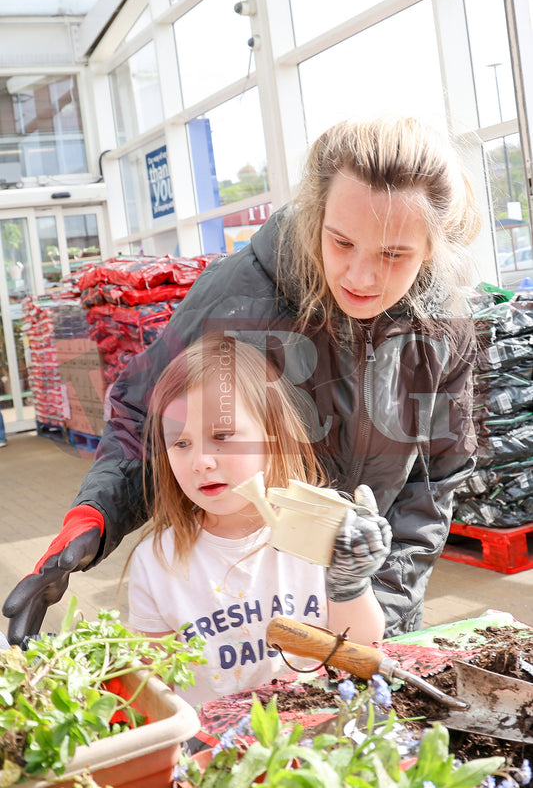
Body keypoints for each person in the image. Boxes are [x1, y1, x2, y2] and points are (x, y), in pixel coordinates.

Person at [3, 114, 480, 644]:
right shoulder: (239, 293)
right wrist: (95, 516)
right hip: (242, 606)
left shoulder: (442, 328)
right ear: (317, 216)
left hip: (369, 605)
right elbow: (147, 411)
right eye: (342, 242)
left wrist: (374, 616)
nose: (361, 277)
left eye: (394, 255)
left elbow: (436, 480)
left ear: (432, 248)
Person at [127, 333, 390, 704]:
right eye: (181, 443)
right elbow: (151, 688)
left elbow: (363, 650)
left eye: (222, 434)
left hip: (316, 732)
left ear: (273, 435)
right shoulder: (156, 562)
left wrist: (351, 583)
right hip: (213, 749)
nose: (201, 461)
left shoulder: (323, 526)